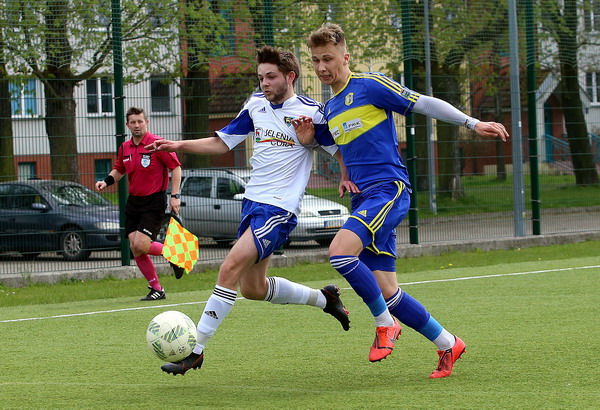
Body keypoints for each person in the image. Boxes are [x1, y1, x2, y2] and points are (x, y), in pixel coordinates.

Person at [305, 23, 509, 378]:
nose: (322, 67)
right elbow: (335, 146)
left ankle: (385, 324)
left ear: (345, 57)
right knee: (388, 291)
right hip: (363, 199)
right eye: (316, 60)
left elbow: (423, 103)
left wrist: (471, 122)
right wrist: (336, 165)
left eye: (328, 58)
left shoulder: (370, 85)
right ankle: (448, 342)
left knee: (339, 252)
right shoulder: (330, 107)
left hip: (389, 190)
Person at [145, 46, 351, 376]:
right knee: (254, 289)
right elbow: (222, 142)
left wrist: (344, 175)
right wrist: (178, 145)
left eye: (271, 77)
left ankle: (195, 351)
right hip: (251, 203)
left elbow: (339, 150)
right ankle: (325, 299)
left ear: (290, 76)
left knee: (229, 267)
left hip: (279, 209)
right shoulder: (255, 104)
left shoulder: (311, 112)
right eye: (261, 77)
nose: (264, 83)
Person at [96, 107, 184, 301]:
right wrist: (105, 182)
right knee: (135, 248)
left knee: (141, 244)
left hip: (154, 200)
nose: (137, 125)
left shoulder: (157, 144)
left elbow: (176, 168)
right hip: (134, 202)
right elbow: (119, 169)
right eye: (133, 122)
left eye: (140, 121)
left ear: (147, 122)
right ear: (127, 125)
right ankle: (157, 289)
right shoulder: (125, 147)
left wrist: (175, 195)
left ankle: (175, 253)